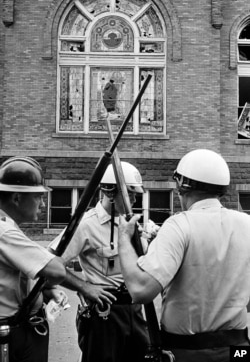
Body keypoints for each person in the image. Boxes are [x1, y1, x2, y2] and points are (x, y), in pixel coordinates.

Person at [118, 149, 250, 362]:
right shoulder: (247, 224)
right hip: (239, 351)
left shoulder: (179, 224)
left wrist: (124, 239)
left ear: (181, 186)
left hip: (188, 351)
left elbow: (140, 290)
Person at [50, 161, 149, 362]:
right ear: (110, 193)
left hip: (135, 307)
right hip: (105, 312)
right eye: (129, 194)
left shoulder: (128, 223)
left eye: (135, 195)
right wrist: (84, 287)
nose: (134, 199)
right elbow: (50, 263)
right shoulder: (86, 224)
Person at [0, 156, 70, 362]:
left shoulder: (7, 227)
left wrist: (45, 291)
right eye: (38, 196)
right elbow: (57, 271)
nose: (42, 202)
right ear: (16, 198)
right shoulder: (4, 231)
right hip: (12, 330)